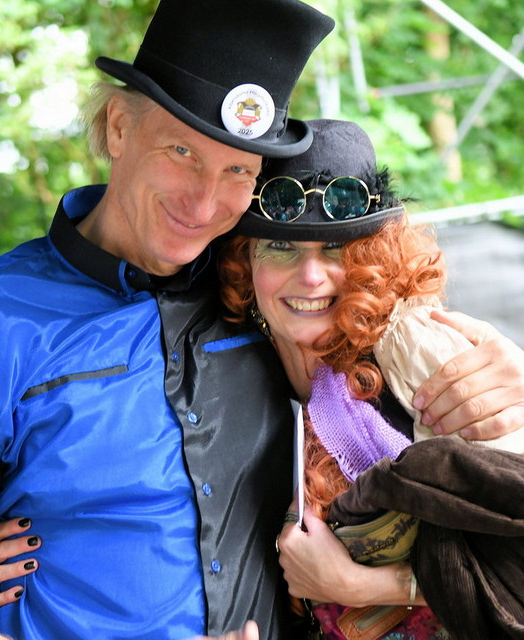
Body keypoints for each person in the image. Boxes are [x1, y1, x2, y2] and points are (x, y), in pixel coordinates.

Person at [0, 1, 337, 638]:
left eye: (238, 169)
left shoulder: (267, 295)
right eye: (182, 151)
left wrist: (483, 369)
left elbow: (398, 362)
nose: (204, 202)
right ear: (119, 127)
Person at [218, 118, 524, 638]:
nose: (310, 276)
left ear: (374, 259)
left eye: (335, 249)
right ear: (245, 261)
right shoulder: (240, 366)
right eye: (281, 246)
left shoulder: (412, 346)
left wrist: (363, 586)